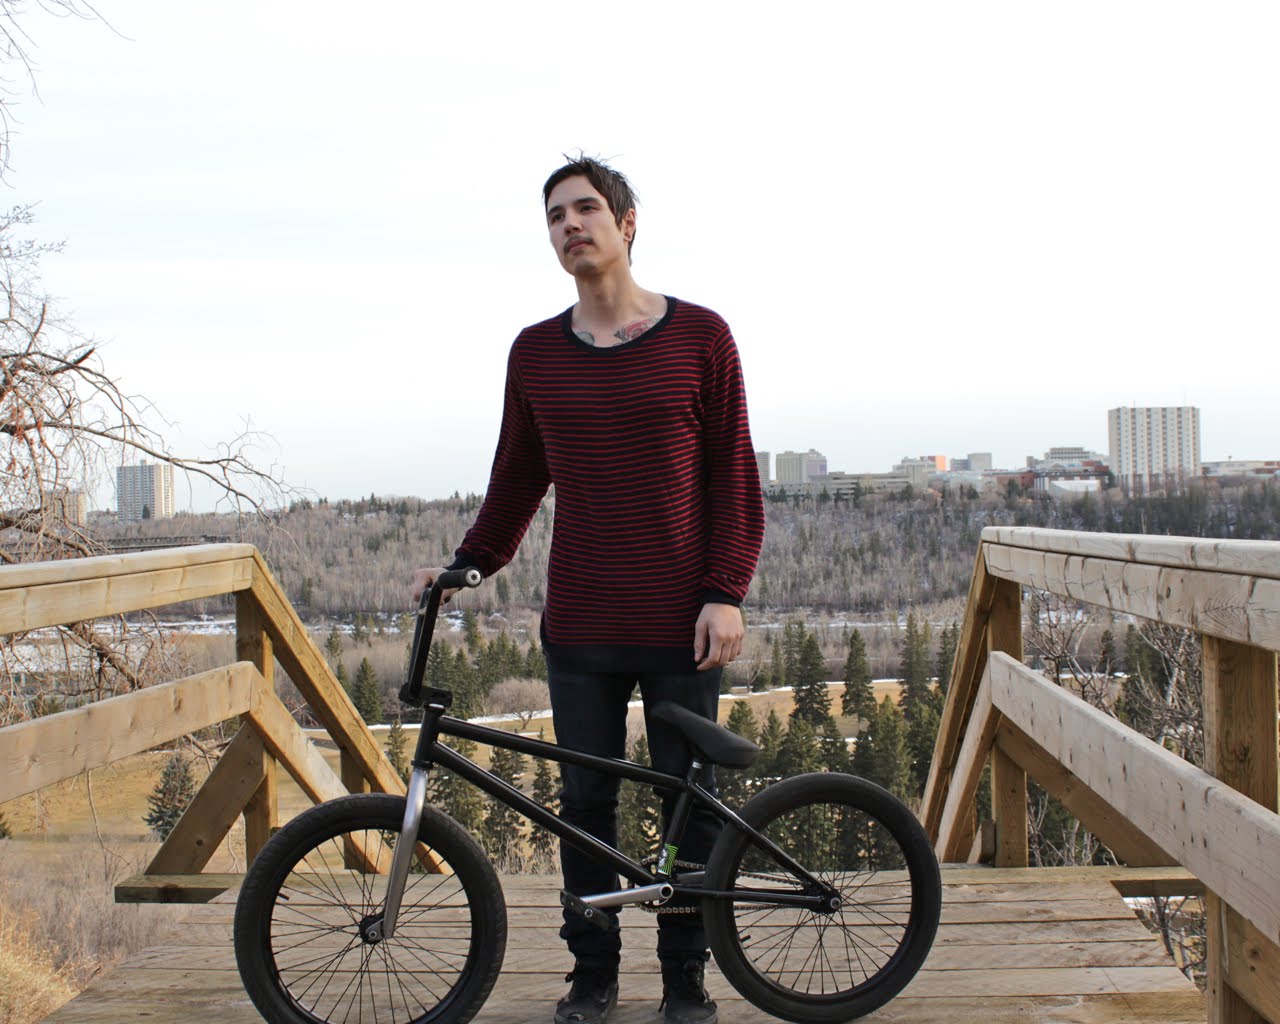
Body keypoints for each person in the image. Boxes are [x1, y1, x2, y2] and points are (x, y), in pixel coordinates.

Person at [413, 155, 764, 1024]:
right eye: (554, 217)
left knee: (687, 803)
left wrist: (726, 591)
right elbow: (516, 478)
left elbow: (734, 479)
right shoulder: (535, 352)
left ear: (627, 223)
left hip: (682, 622)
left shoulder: (701, 337)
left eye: (585, 209)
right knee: (583, 805)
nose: (569, 225)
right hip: (580, 623)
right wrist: (470, 564)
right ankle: (593, 975)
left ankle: (685, 979)